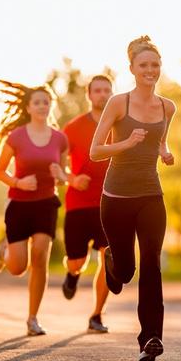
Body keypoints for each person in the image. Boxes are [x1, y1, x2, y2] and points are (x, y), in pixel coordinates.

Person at [90, 35, 175, 361]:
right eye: (144, 65)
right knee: (126, 273)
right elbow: (95, 151)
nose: (150, 70)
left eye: (155, 65)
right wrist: (125, 143)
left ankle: (151, 337)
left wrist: (166, 153)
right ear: (132, 69)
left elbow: (161, 142)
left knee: (152, 264)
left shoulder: (168, 106)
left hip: (151, 195)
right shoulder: (118, 103)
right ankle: (114, 260)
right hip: (116, 197)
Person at [0, 80, 68, 336]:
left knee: (41, 256)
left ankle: (33, 318)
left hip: (46, 203)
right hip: (19, 204)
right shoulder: (17, 136)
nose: (42, 106)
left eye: (46, 102)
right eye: (37, 102)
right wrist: (18, 182)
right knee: (17, 268)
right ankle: (6, 248)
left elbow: (64, 174)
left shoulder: (59, 138)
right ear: (29, 107)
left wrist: (61, 174)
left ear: (50, 106)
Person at [60, 75, 114, 333]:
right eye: (98, 91)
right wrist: (71, 178)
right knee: (77, 261)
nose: (102, 95)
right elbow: (56, 165)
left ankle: (97, 315)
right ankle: (72, 273)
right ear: (89, 95)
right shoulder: (72, 127)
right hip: (78, 204)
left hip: (109, 202)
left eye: (107, 90)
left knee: (108, 259)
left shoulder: (119, 125)